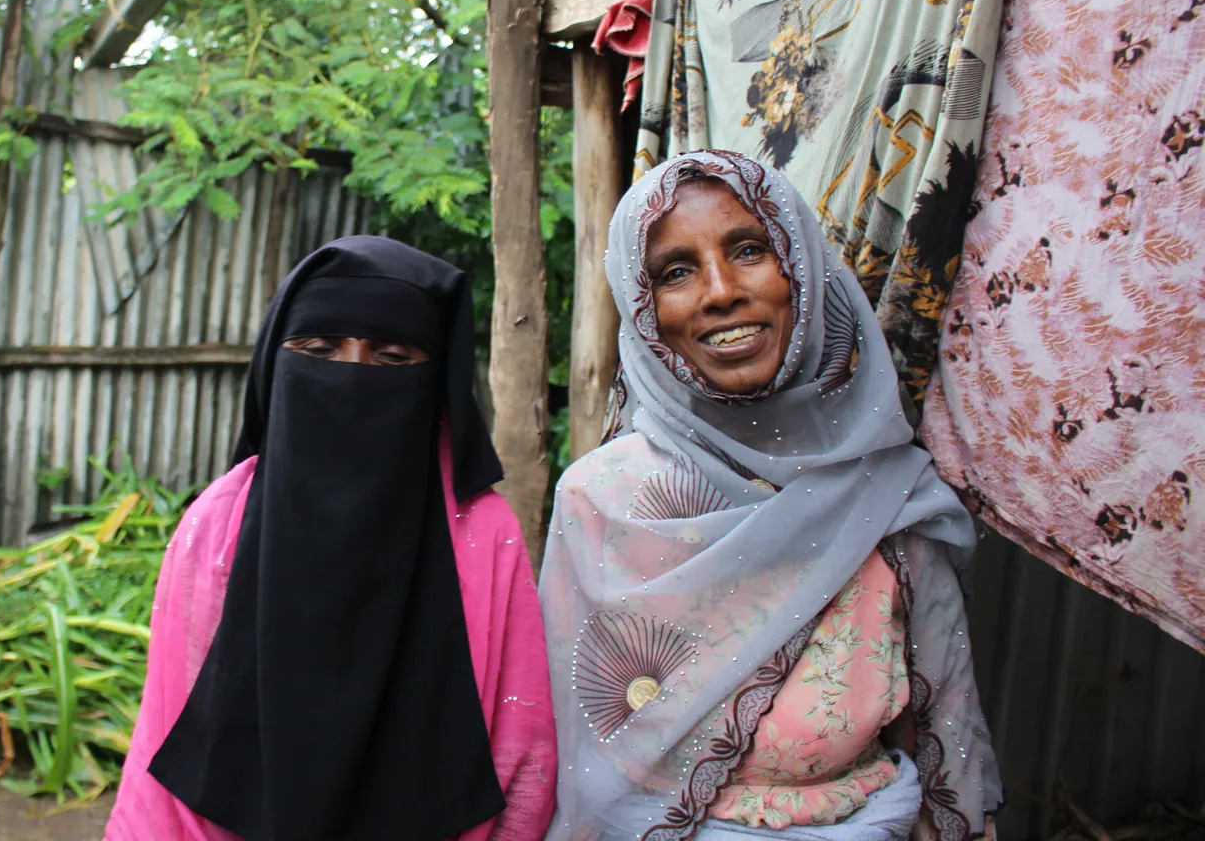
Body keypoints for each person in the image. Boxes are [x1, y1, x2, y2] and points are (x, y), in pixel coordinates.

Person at [540, 152, 1000, 841]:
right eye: (675, 271)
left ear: (804, 271)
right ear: (643, 310)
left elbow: (948, 726)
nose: (720, 291)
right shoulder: (601, 500)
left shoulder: (891, 492)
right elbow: (567, 747)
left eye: (749, 250)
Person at [106, 236, 558, 841]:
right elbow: (173, 724)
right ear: (276, 362)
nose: (350, 377)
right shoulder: (218, 523)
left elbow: (518, 750)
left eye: (393, 357)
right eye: (318, 350)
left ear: (436, 382)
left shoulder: (481, 535)